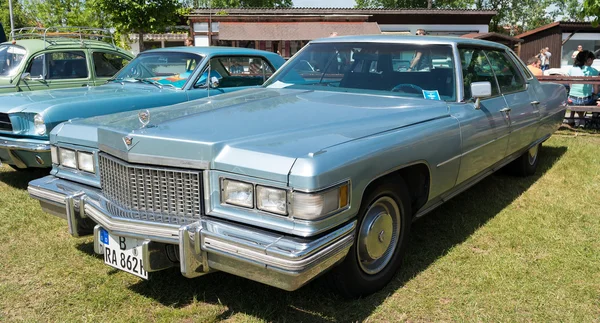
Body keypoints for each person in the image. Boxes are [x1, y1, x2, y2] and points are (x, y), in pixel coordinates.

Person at [568, 50, 599, 127]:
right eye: (592, 60)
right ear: (588, 60)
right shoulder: (594, 71)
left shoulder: (571, 70)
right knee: (591, 98)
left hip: (572, 99)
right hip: (585, 100)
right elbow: (595, 90)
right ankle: (582, 121)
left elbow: (570, 85)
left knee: (573, 99)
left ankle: (571, 118)